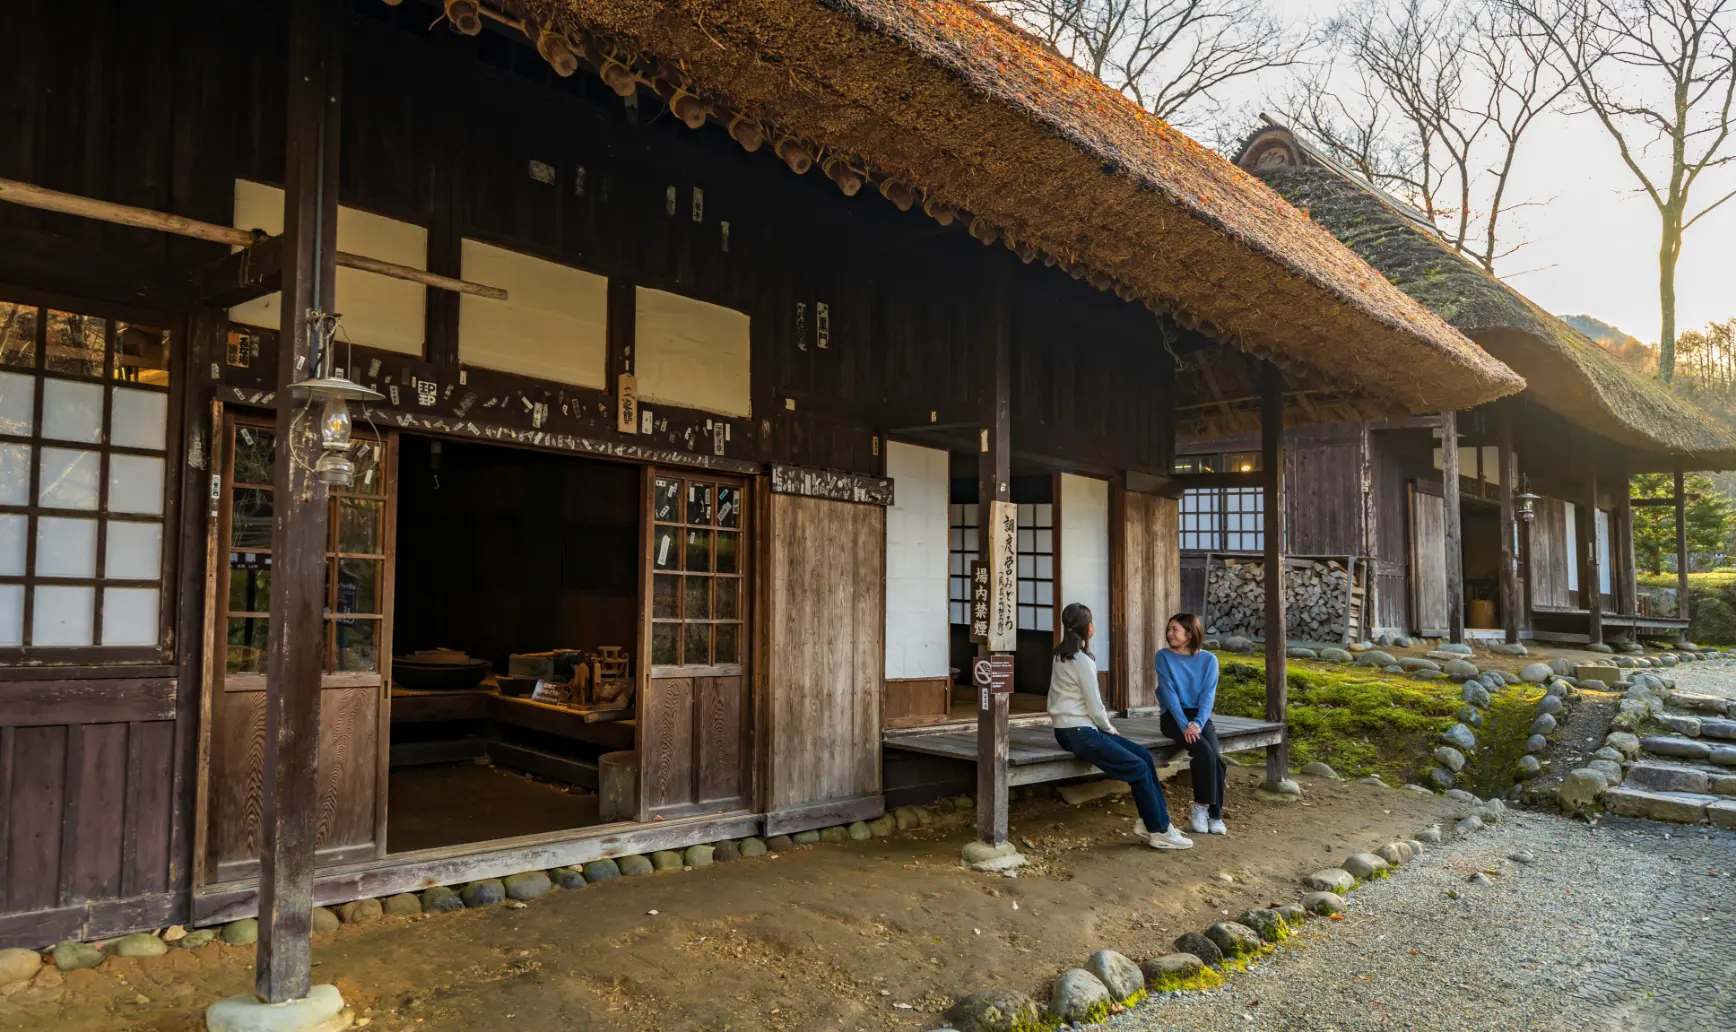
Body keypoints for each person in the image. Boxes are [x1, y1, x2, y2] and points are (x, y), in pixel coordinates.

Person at [1047, 602, 1192, 850]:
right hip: (1080, 731)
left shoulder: (1061, 656)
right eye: (1092, 622)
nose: (1094, 626)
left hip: (1072, 731)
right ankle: (1158, 830)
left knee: (1144, 756)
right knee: (1136, 766)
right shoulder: (1081, 660)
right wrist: (1108, 728)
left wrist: (1103, 728)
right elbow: (1095, 706)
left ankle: (1156, 823)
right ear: (1087, 627)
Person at [1154, 612, 1228, 835]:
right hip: (1173, 717)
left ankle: (1215, 815)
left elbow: (1208, 696)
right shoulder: (1163, 656)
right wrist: (1185, 724)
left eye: (1174, 629)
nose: (1169, 634)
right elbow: (1169, 694)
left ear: (1189, 633)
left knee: (1218, 759)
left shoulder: (1209, 660)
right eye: (1169, 629)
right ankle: (1200, 807)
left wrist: (1197, 722)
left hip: (1199, 716)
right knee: (1204, 753)